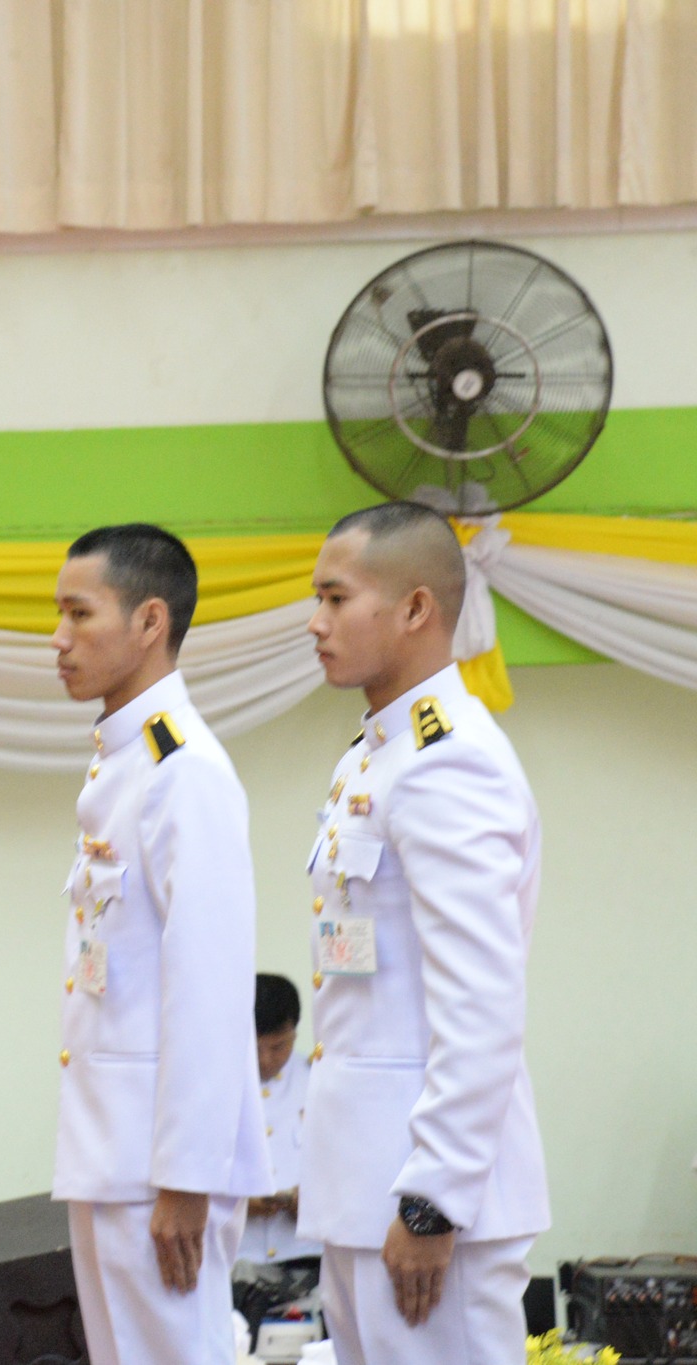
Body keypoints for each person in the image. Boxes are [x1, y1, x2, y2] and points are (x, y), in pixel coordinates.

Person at [300, 501, 548, 1365]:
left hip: (427, 1199)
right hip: (364, 1185)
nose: (315, 621)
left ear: (415, 609)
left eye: (337, 598)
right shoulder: (372, 757)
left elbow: (481, 1002)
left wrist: (431, 1199)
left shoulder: (451, 759)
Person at [48, 523, 273, 1365]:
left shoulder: (184, 770)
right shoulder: (124, 763)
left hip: (159, 1168)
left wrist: (186, 1176)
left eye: (79, 613)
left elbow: (210, 988)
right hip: (115, 1153)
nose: (59, 638)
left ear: (150, 621)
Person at [238, 973, 320, 1271]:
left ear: (295, 1034)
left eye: (278, 1047)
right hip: (235, 1254)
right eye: (255, 1047)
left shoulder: (319, 1082)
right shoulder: (214, 1086)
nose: (265, 1060)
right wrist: (238, 1204)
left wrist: (312, 1200)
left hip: (305, 1254)